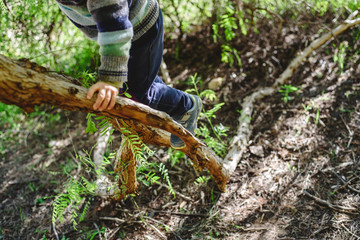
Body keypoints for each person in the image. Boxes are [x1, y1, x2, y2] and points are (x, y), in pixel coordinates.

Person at [56, 0, 202, 149]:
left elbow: (116, 26)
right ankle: (161, 107)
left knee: (132, 95)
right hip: (121, 35)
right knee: (138, 85)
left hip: (141, 29)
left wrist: (111, 79)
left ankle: (185, 106)